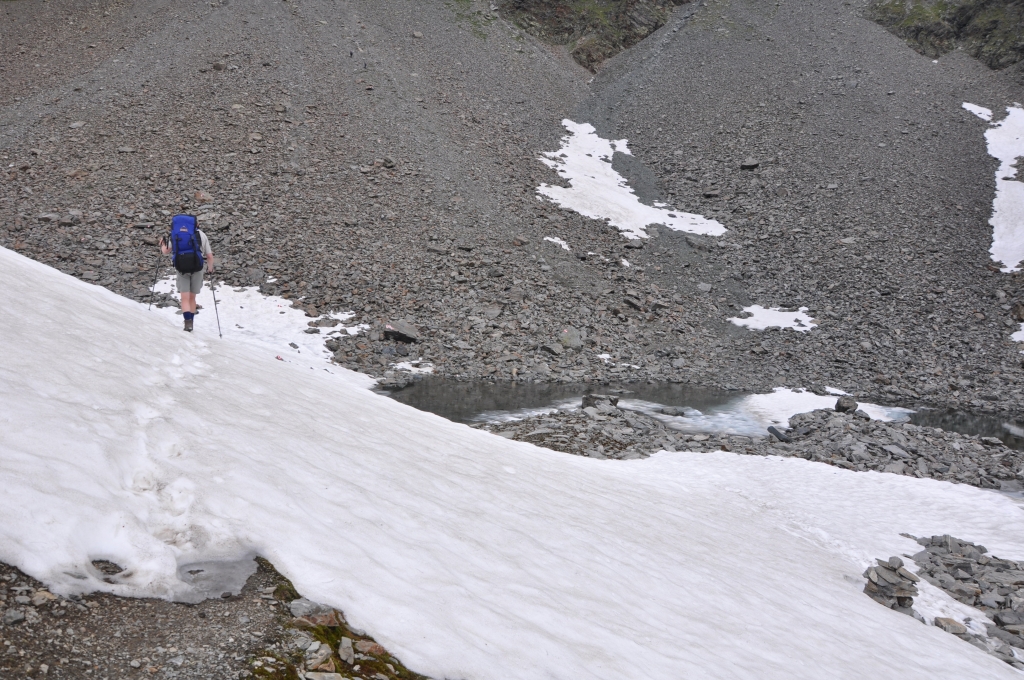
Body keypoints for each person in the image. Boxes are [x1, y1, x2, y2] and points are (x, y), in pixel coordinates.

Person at [159, 214, 214, 332]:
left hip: (181, 269)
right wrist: (210, 269)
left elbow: (165, 252)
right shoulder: (202, 235)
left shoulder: (175, 234)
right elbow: (209, 256)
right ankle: (192, 323)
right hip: (197, 268)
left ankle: (187, 323)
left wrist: (163, 244)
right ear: (196, 224)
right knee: (192, 298)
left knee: (184, 298)